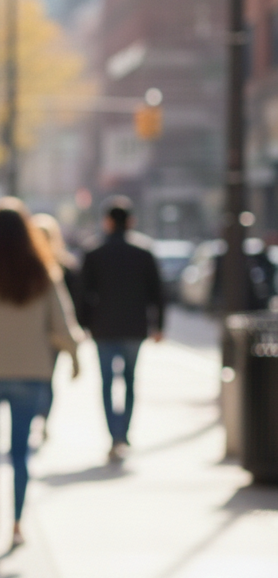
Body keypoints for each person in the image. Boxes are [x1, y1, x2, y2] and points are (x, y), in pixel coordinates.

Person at [0, 199, 82, 546]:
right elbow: (62, 323)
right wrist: (75, 357)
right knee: (19, 453)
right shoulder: (42, 271)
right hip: (31, 373)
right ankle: (16, 524)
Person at [77, 196, 165, 463]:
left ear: (107, 221)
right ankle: (123, 433)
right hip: (134, 327)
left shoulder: (94, 252)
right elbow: (158, 292)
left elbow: (82, 294)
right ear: (131, 221)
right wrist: (159, 325)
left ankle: (114, 435)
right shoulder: (144, 251)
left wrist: (84, 324)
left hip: (103, 328)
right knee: (129, 381)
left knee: (106, 383)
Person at [30, 212, 82, 435]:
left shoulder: (65, 267)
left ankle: (42, 417)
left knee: (43, 378)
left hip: (51, 334)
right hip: (40, 333)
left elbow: (74, 303)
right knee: (41, 378)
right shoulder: (28, 266)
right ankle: (39, 417)